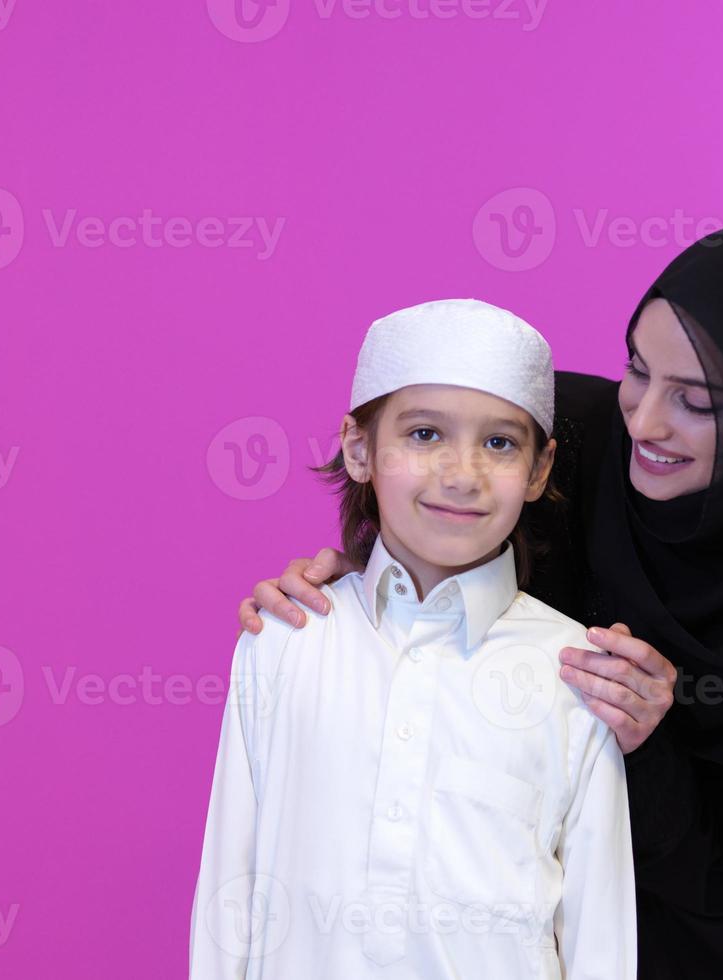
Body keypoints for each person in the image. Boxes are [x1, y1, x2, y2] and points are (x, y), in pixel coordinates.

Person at [238, 216, 723, 978]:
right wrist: (354, 582)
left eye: (697, 403)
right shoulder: (564, 440)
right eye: (637, 369)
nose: (642, 420)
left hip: (684, 944)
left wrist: (649, 741)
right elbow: (425, 510)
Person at [190, 298, 637, 979]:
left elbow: (598, 935)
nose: (462, 474)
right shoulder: (287, 639)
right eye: (425, 434)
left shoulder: (574, 670)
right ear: (359, 447)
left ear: (539, 470)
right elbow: (231, 885)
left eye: (499, 443)